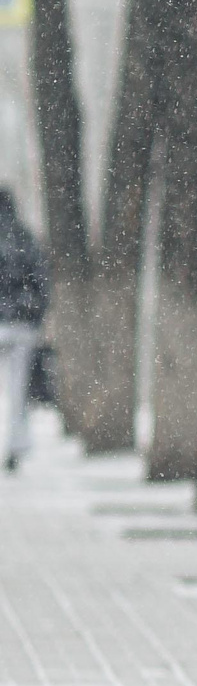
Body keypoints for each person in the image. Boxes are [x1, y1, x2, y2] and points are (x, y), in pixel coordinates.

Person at [0, 187, 49, 473]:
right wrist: (36, 313)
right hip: (21, 324)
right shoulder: (25, 237)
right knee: (17, 390)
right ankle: (15, 446)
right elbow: (41, 280)